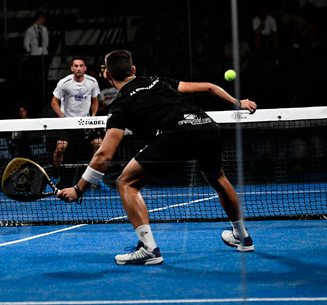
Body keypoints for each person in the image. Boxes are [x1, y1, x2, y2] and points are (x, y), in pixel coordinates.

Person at [57, 50, 258, 265]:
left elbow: (105, 154)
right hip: (206, 127)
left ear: (108, 77)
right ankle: (242, 237)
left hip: (175, 135)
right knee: (218, 178)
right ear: (133, 70)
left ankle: (149, 249)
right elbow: (209, 87)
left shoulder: (121, 105)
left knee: (126, 182)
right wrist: (237, 102)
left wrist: (79, 189)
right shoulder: (158, 81)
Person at [50, 57, 101, 184]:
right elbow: (54, 102)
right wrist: (62, 118)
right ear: (72, 68)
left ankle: (93, 177)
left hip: (85, 121)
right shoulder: (64, 82)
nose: (78, 68)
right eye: (76, 66)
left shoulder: (92, 82)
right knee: (60, 149)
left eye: (81, 66)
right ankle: (55, 175)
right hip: (68, 122)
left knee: (99, 145)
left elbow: (95, 102)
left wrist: (93, 118)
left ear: (85, 68)